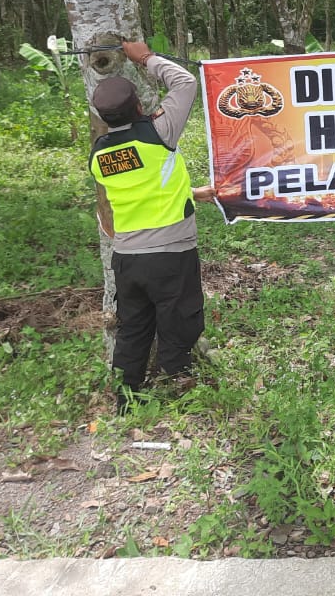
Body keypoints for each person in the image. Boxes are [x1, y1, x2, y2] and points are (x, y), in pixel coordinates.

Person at [89, 39, 211, 412]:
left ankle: (127, 398)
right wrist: (145, 58)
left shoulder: (100, 154)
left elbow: (141, 185)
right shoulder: (158, 133)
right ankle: (178, 383)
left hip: (127, 258)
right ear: (140, 106)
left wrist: (192, 192)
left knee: (134, 327)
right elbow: (186, 83)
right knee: (179, 319)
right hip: (170, 254)